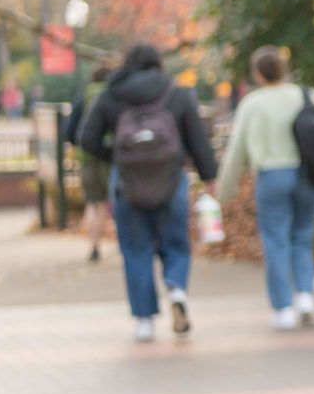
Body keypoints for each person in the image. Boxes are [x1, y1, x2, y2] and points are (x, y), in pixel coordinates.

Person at [77, 45, 218, 341]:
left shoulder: (112, 93)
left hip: (127, 181)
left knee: (135, 248)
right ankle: (176, 287)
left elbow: (86, 137)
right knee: (176, 243)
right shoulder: (176, 93)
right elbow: (198, 139)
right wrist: (209, 177)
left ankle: (144, 320)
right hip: (171, 178)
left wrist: (114, 156)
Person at [216, 46, 314, 330]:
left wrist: (223, 191)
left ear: (257, 73)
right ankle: (305, 297)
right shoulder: (307, 95)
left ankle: (283, 308)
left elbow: (236, 150)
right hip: (306, 173)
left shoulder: (253, 103)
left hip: (272, 176)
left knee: (275, 241)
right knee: (302, 236)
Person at [64, 63, 113, 262]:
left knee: (93, 203)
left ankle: (94, 246)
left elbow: (69, 133)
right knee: (111, 202)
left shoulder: (81, 99)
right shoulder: (114, 97)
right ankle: (121, 244)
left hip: (87, 158)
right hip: (109, 157)